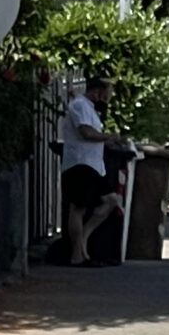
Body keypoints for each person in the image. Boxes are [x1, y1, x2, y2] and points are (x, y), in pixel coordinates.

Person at [60, 78, 123, 267]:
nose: (107, 99)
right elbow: (86, 133)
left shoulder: (89, 108)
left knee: (111, 200)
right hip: (80, 164)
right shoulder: (79, 105)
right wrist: (110, 137)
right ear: (97, 92)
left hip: (94, 165)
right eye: (106, 94)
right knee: (78, 207)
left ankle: (84, 239)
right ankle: (77, 255)